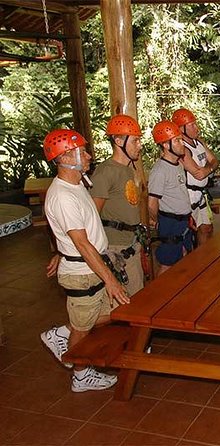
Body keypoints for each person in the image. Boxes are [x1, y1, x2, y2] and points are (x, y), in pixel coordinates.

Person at [40, 128, 129, 393]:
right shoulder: (63, 196)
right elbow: (81, 243)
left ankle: (62, 333)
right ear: (66, 157)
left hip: (89, 266)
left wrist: (60, 251)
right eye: (83, 151)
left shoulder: (78, 183)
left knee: (107, 316)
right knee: (84, 325)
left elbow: (73, 232)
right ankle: (80, 374)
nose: (89, 156)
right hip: (82, 272)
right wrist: (110, 280)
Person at [89, 114, 145, 297]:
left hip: (130, 242)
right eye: (135, 141)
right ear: (118, 140)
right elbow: (92, 216)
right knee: (133, 299)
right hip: (115, 247)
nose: (140, 145)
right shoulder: (105, 173)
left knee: (137, 294)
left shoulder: (129, 169)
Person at [148, 121, 193, 275]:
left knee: (184, 256)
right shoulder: (160, 171)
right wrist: (157, 221)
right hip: (170, 223)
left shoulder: (178, 165)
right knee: (167, 264)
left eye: (181, 139)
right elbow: (152, 202)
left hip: (183, 221)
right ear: (166, 145)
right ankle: (159, 296)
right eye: (177, 141)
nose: (182, 144)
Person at [171, 108, 219, 247]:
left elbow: (215, 161)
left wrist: (208, 169)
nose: (196, 128)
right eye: (192, 125)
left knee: (207, 228)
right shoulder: (183, 149)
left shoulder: (199, 143)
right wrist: (209, 168)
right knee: (190, 234)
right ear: (181, 128)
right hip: (189, 195)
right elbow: (198, 173)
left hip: (200, 194)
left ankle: (202, 258)